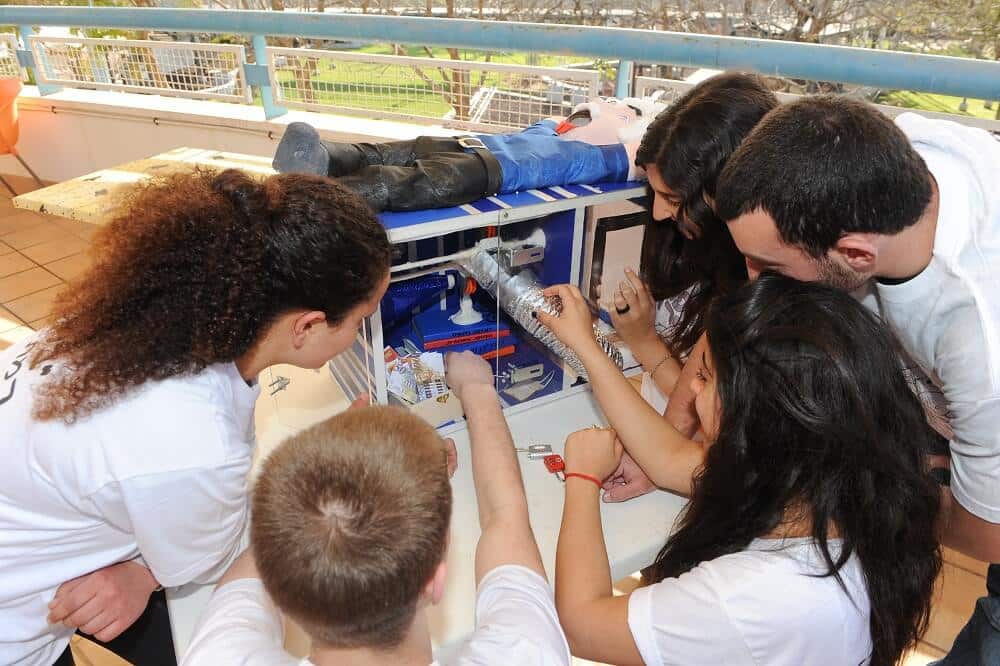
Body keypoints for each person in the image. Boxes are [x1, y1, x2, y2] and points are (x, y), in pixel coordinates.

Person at [0, 169, 392, 666]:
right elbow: (212, 561)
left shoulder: (137, 330)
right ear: (308, 325)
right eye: (361, 319)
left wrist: (140, 570)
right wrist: (322, 467)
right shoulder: (190, 441)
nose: (362, 332)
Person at [714, 95, 1000, 663]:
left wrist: (874, 494)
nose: (753, 281)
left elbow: (989, 533)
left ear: (854, 254)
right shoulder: (895, 155)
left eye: (769, 268)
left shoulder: (980, 343)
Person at [552, 274, 942, 666]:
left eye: (704, 378)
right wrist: (585, 345)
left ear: (755, 419)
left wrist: (582, 477)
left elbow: (581, 625)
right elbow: (667, 456)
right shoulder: (831, 479)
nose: (690, 392)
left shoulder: (752, 598)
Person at [181, 351, 570, 665]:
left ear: (282, 597)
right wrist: (477, 388)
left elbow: (262, 555)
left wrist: (331, 469)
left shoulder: (216, 655)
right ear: (436, 579)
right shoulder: (528, 652)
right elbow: (506, 517)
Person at [541, 73, 779, 502]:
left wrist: (613, 348)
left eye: (671, 197)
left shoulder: (776, 277)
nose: (658, 213)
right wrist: (659, 455)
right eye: (654, 193)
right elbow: (701, 370)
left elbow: (711, 416)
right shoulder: (710, 251)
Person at [271, 96, 665, 212]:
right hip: (476, 143)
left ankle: (318, 198)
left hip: (489, 171)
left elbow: (635, 163)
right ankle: (327, 158)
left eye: (620, 108)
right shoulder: (556, 128)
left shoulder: (602, 157)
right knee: (398, 152)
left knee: (402, 184)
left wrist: (635, 148)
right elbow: (541, 130)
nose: (604, 104)